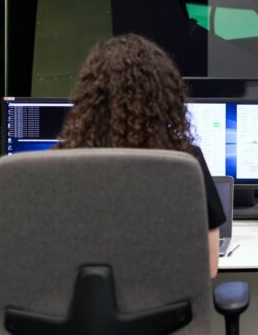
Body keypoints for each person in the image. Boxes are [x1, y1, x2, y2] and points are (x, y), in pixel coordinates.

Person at [56, 33, 226, 278]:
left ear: (89, 97)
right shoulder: (185, 163)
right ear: (164, 98)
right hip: (164, 302)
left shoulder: (57, 167)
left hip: (80, 302)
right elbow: (208, 268)